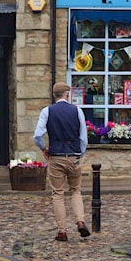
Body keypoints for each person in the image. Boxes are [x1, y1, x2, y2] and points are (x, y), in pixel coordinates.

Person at [33, 82, 89, 242]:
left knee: (58, 193)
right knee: (75, 190)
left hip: (56, 155)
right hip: (74, 156)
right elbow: (83, 137)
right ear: (67, 94)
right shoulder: (77, 111)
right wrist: (80, 154)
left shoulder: (47, 111)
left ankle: (62, 231)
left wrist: (44, 148)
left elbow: (37, 135)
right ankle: (80, 220)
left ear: (53, 95)